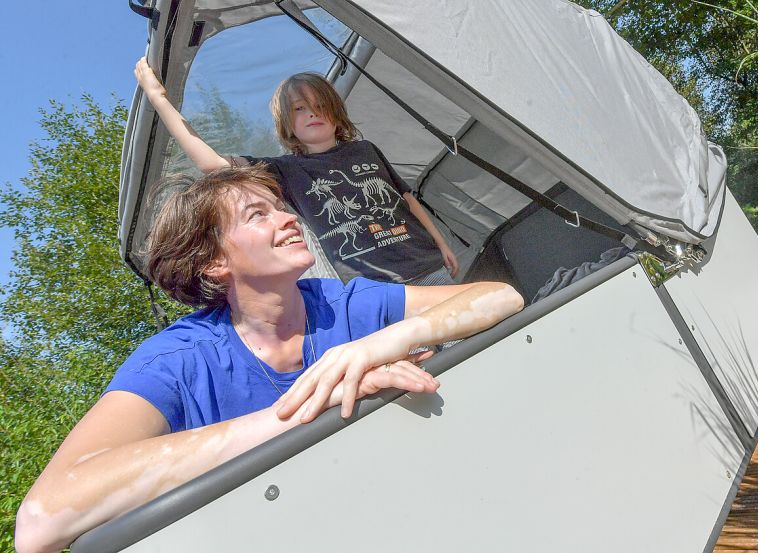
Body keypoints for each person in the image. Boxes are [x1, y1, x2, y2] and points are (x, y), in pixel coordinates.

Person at [14, 166, 524, 553]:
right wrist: (307, 409)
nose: (288, 218)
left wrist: (375, 346)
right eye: (258, 215)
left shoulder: (341, 301)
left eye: (280, 207)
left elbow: (500, 297)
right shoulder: (175, 361)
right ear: (215, 262)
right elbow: (40, 522)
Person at [134, 57, 459, 285]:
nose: (311, 114)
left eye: (319, 106)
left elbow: (407, 199)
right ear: (288, 124)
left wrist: (443, 244)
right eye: (299, 109)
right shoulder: (286, 170)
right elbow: (211, 164)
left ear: (334, 111)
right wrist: (158, 98)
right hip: (375, 288)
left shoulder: (366, 149)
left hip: (428, 265)